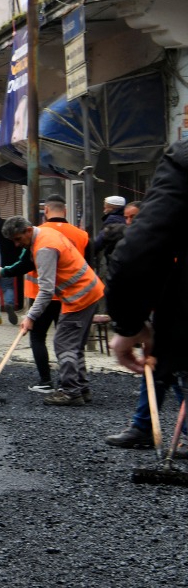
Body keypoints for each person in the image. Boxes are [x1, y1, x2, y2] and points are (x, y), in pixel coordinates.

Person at [110, 143, 188, 446]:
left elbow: (136, 253)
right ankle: (143, 426)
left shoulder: (181, 162)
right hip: (163, 306)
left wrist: (128, 323)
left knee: (173, 367)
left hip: (169, 308)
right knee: (157, 364)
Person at [0, 214, 105, 406]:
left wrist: (30, 316)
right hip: (88, 292)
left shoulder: (45, 248)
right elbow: (26, 264)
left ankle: (71, 392)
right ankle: (82, 388)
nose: (16, 244)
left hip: (79, 296)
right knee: (74, 345)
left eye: (18, 239)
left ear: (28, 230)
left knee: (64, 343)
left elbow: (46, 290)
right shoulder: (45, 233)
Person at [89, 195, 129, 283]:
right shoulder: (123, 219)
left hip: (112, 257)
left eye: (105, 206)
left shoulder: (112, 220)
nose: (104, 209)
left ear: (111, 208)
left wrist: (90, 251)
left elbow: (100, 241)